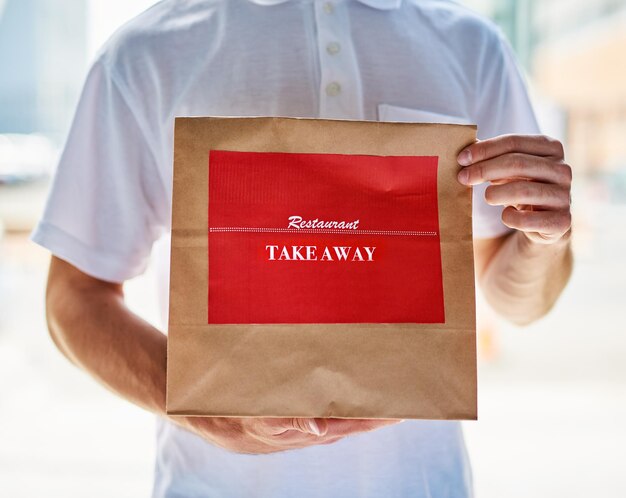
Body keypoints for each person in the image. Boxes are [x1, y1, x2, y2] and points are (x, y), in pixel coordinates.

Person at [32, 0, 573, 496]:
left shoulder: (471, 46)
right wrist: (200, 406)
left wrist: (543, 242)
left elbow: (516, 301)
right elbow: (74, 297)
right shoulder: (145, 52)